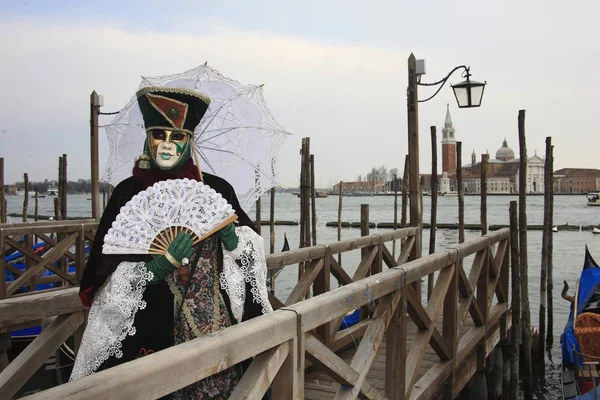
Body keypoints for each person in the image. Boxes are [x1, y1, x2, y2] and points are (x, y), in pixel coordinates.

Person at [70, 86, 272, 399]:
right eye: (158, 135)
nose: (166, 145)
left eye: (176, 137)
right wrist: (154, 269)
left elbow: (251, 261)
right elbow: (103, 274)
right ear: (147, 139)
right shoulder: (128, 193)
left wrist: (234, 241)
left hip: (214, 333)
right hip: (149, 332)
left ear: (189, 141)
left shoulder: (216, 190)